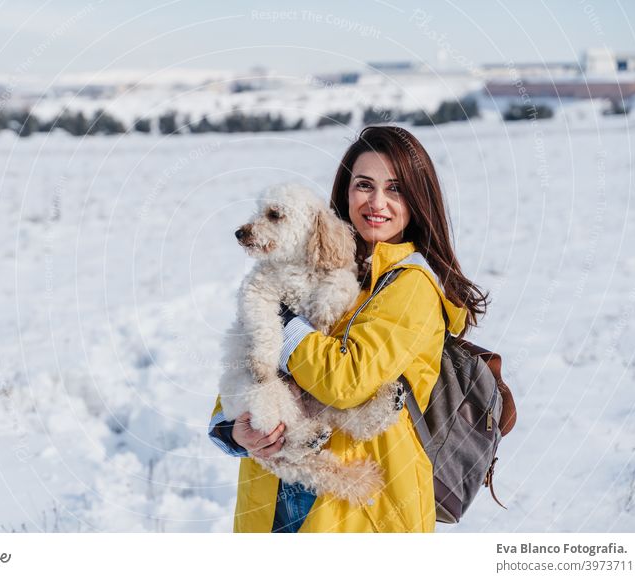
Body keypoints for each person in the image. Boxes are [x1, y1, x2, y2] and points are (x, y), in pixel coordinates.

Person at [208, 125, 489, 532]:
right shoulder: (309, 265)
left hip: (359, 513)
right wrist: (234, 431)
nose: (377, 203)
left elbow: (347, 382)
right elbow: (247, 368)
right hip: (270, 503)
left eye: (395, 188)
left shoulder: (412, 287)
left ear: (418, 200)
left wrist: (281, 319)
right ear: (345, 191)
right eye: (364, 185)